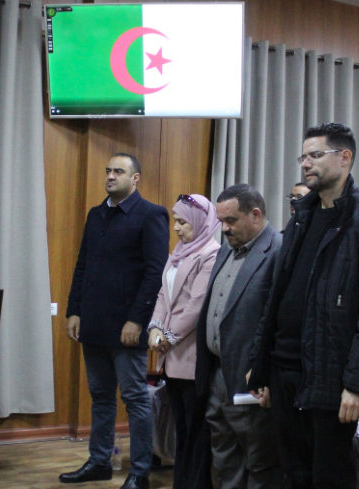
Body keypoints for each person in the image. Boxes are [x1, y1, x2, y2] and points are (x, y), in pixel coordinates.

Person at [247, 123, 359, 488]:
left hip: (331, 375)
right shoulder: (302, 215)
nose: (306, 164)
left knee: (330, 477)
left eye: (315, 155)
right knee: (294, 474)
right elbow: (277, 295)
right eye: (303, 157)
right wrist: (262, 366)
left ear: (345, 158)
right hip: (285, 369)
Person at [62, 153, 169, 489]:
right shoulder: (96, 214)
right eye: (108, 170)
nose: (110, 176)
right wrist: (74, 310)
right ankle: (99, 462)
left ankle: (139, 472)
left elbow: (155, 273)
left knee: (135, 399)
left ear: (135, 179)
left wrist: (137, 320)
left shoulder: (151, 214)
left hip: (127, 327)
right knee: (101, 396)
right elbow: (83, 265)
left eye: (118, 171)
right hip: (93, 322)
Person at [194, 184, 284, 488]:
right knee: (224, 458)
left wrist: (267, 373)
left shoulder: (279, 251)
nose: (224, 229)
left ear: (255, 214)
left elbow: (283, 322)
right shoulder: (226, 249)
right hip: (217, 373)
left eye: (231, 220)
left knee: (260, 463)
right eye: (221, 221)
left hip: (252, 379)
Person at [146, 193, 220, 489]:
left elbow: (196, 306)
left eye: (182, 222)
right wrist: (155, 328)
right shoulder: (179, 252)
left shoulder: (211, 253)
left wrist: (168, 337)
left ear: (199, 222)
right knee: (182, 429)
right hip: (171, 356)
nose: (175, 227)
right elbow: (163, 295)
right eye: (175, 221)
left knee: (196, 432)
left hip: (191, 356)